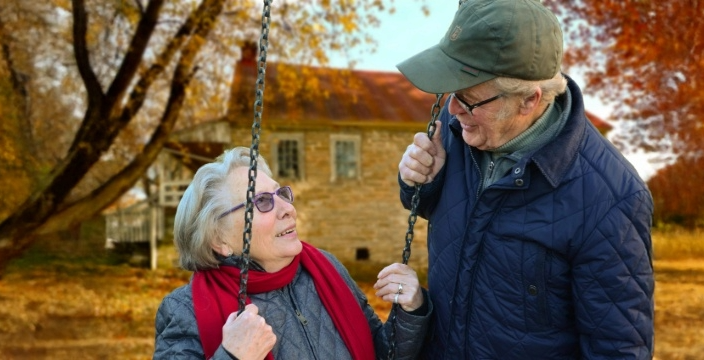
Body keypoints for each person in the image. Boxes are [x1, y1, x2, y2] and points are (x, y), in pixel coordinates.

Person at [395, 0, 655, 358]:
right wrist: (419, 180)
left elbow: (618, 348)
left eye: (469, 100)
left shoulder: (611, 199)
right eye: (451, 94)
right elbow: (436, 210)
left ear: (529, 100)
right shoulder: (460, 128)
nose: (453, 110)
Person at [155, 147, 431, 360]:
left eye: (281, 194)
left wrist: (410, 310)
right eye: (262, 201)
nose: (287, 208)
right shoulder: (184, 309)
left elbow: (381, 352)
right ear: (219, 239)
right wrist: (232, 356)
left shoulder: (325, 269)